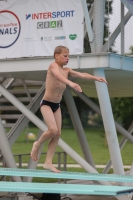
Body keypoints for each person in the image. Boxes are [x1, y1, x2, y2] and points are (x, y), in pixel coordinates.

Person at [30, 45, 107, 173]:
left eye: (68, 56)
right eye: (65, 56)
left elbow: (81, 74)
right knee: (53, 130)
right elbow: (58, 77)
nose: (67, 58)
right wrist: (71, 83)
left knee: (58, 133)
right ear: (56, 56)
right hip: (47, 104)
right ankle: (37, 144)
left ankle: (48, 162)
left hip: (56, 105)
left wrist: (96, 78)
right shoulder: (53, 66)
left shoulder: (67, 70)